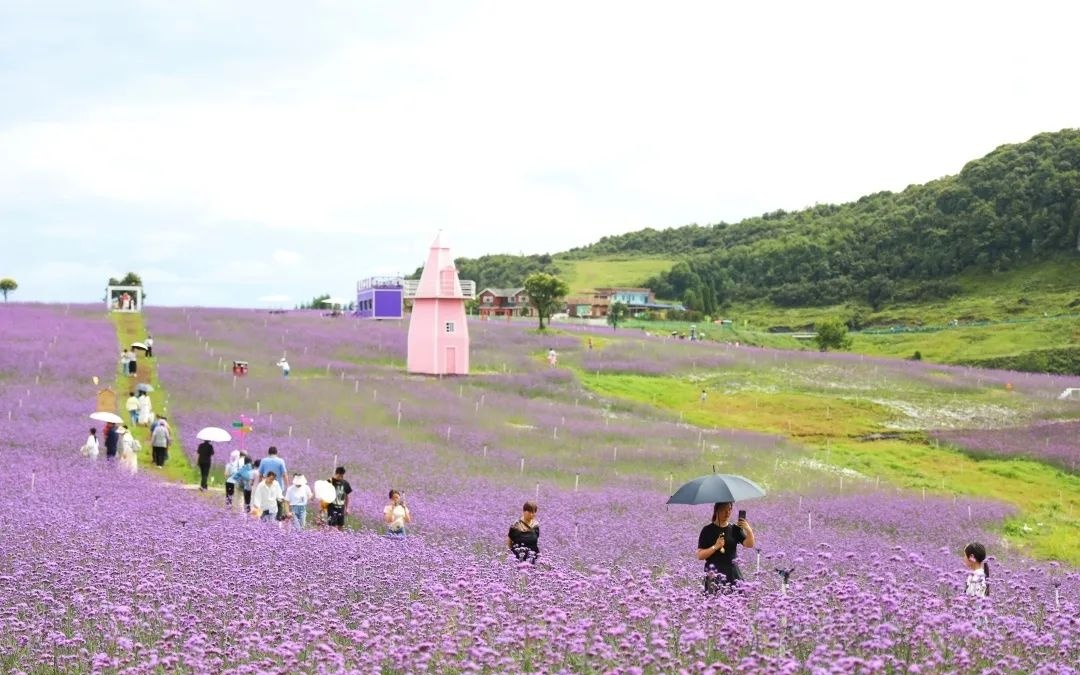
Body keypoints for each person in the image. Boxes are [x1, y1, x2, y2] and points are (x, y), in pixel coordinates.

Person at [697, 502, 756, 592]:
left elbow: (749, 544)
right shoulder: (707, 530)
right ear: (717, 510)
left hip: (733, 575)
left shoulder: (734, 529)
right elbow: (700, 555)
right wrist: (715, 547)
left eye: (729, 509)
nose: (727, 512)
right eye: (724, 510)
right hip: (714, 576)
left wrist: (749, 530)